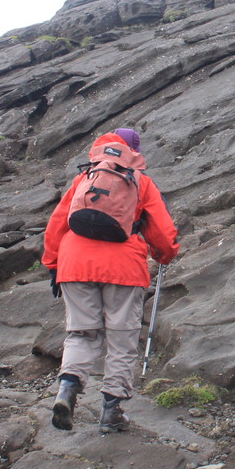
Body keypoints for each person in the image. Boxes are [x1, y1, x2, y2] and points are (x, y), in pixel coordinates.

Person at [42, 127, 179, 433]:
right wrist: (165, 255)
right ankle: (111, 412)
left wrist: (53, 265)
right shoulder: (140, 181)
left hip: (74, 264)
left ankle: (67, 390)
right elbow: (162, 232)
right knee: (121, 338)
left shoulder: (84, 177)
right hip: (123, 268)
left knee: (81, 333)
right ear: (134, 152)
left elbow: (57, 224)